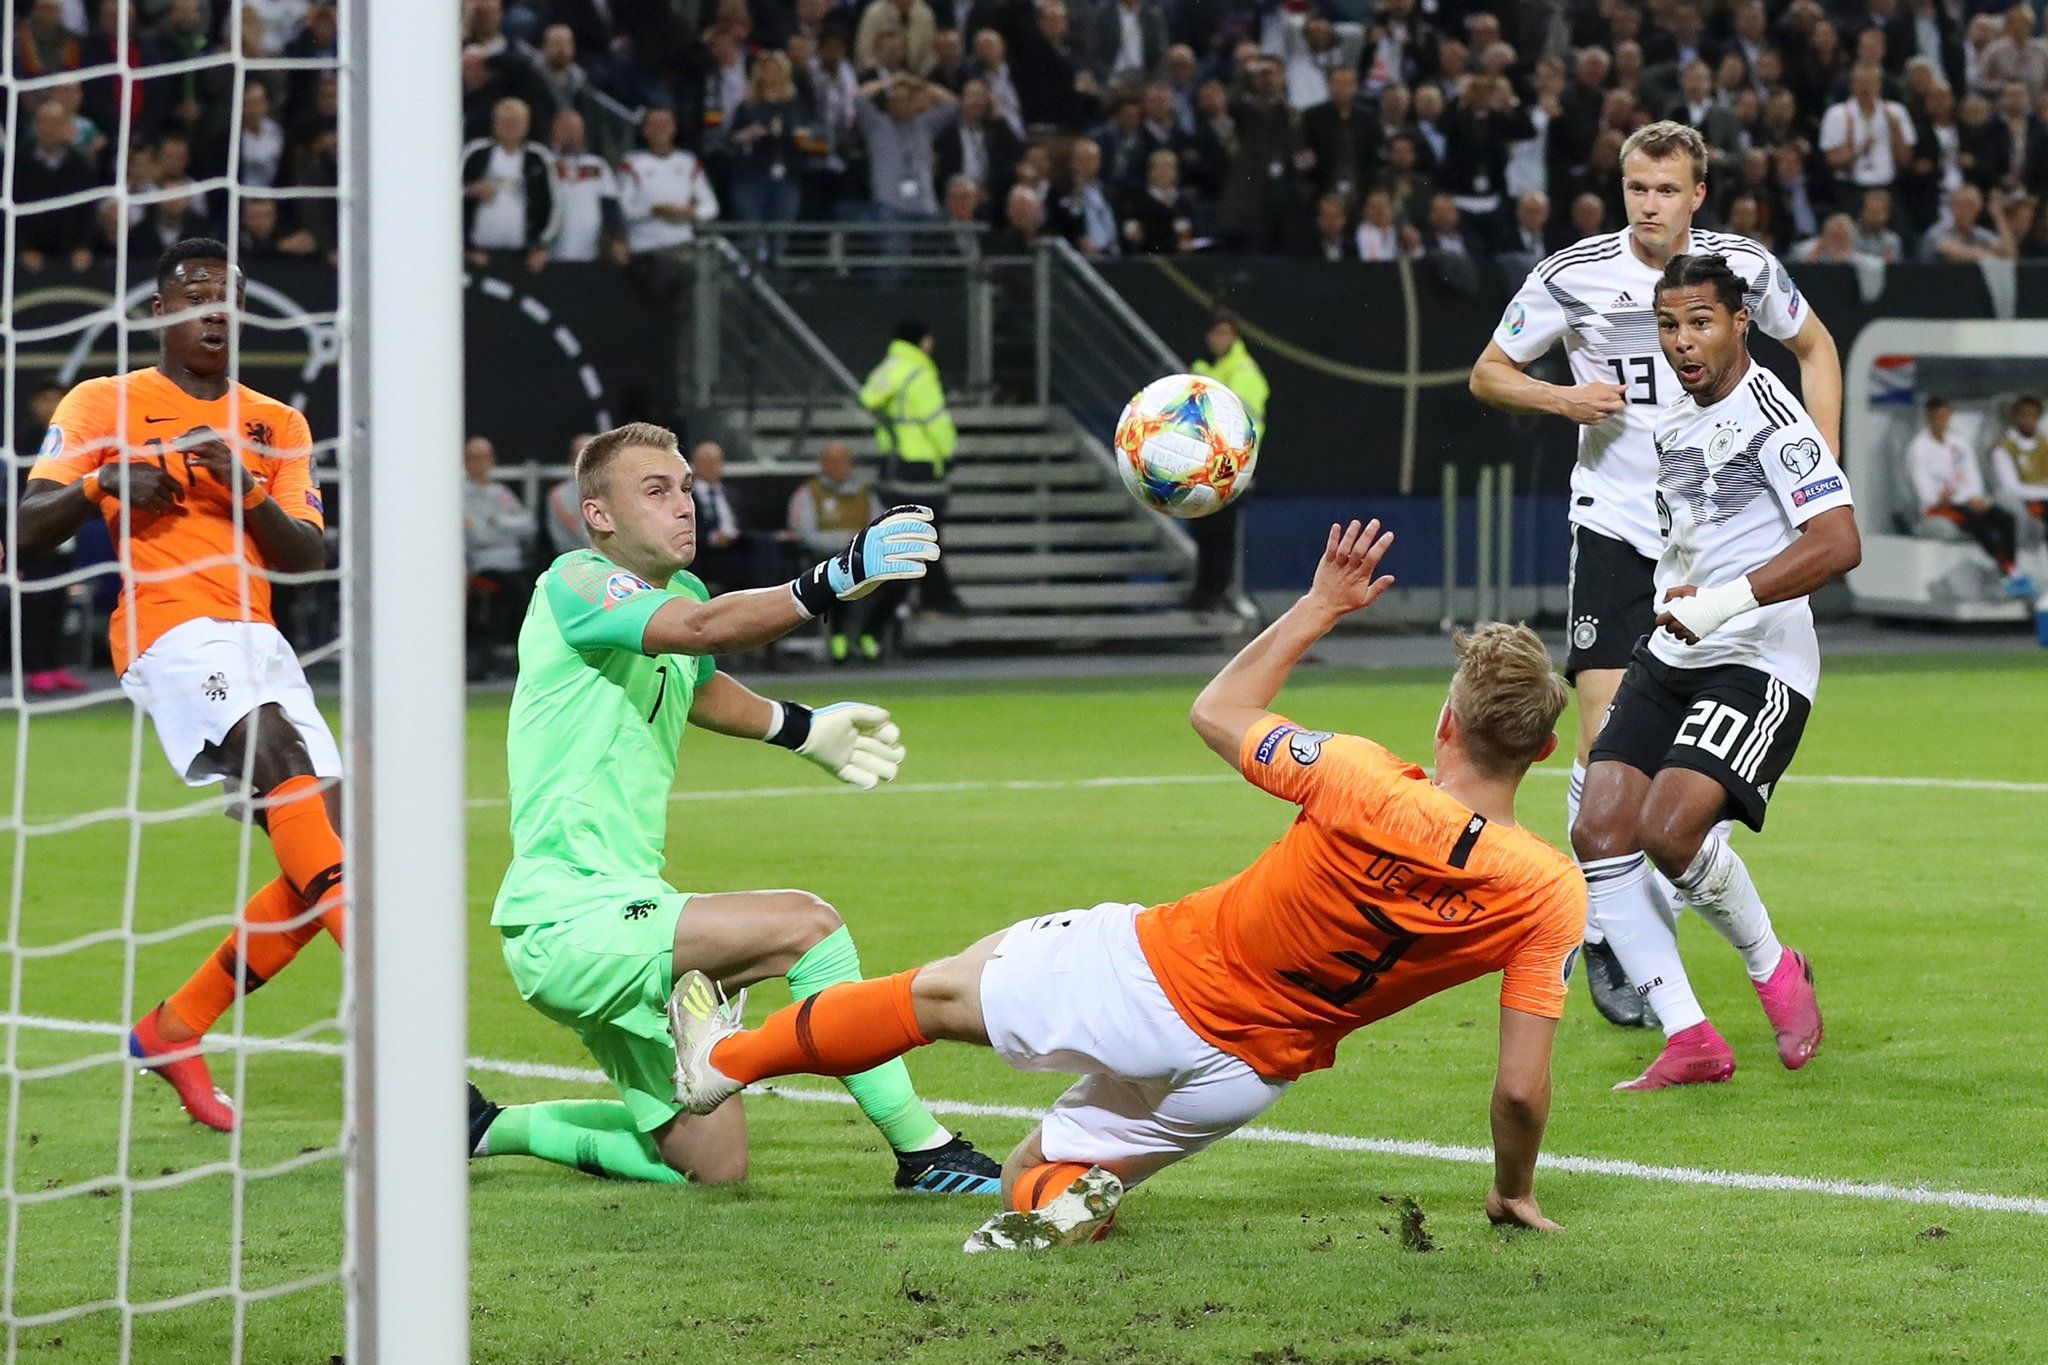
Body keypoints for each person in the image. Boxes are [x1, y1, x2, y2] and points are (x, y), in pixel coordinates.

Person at [671, 524, 1584, 1250]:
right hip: (1248, 1073)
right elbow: (1518, 1089)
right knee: (1030, 1174)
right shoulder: (1548, 892)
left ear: (1445, 722)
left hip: (1152, 976)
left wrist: (1318, 606)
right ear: (1544, 749)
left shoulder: (1359, 778)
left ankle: (725, 1064)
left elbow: (1219, 711)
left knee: (938, 992)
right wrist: (1512, 1189)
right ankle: (1066, 1200)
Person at [466, 422, 1003, 1194]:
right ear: (599, 515)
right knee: (807, 926)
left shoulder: (678, 595)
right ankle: (925, 1150)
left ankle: (486, 1127)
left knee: (714, 1165)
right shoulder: (576, 582)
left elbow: (699, 678)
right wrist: (833, 576)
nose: (683, 504)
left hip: (624, 911)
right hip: (568, 918)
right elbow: (700, 630)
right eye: (656, 490)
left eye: (686, 488)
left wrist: (800, 728)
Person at [1469, 121, 1843, 1034]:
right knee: (1606, 739)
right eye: (1637, 187)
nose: (1650, 204)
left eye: (1668, 189)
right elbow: (1487, 372)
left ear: (1697, 195)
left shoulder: (1740, 270)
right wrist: (1561, 396)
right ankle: (1607, 933)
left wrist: (1820, 470)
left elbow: (1818, 348)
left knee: (1687, 780)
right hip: (1617, 523)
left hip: (1716, 545)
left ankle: (1662, 927)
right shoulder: (1573, 274)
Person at [17, 240, 340, 1133]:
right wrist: (102, 482)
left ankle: (175, 1026)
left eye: (226, 296)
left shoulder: (277, 422)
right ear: (160, 313)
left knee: (326, 858)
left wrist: (246, 492)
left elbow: (307, 554)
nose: (212, 310)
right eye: (193, 295)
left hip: (262, 638)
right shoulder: (102, 402)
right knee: (282, 759)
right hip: (169, 630)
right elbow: (25, 529)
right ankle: (404, 1020)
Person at [1572, 253, 1859, 1091]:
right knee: (1598, 831)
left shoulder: (1775, 418)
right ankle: (1689, 1035)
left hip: (1758, 659)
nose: (1683, 342)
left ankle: (1776, 970)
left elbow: (1839, 542)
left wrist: (1724, 601)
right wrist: (1680, 596)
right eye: (1669, 326)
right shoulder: (1674, 421)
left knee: (1669, 830)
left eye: (1700, 322)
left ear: (1741, 323)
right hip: (1673, 651)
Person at [861, 321, 964, 613]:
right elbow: (935, 421)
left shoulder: (886, 370)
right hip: (924, 467)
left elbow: (868, 398)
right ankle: (934, 599)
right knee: (928, 536)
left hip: (894, 464)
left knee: (906, 537)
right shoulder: (919, 373)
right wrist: (949, 452)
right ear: (920, 340)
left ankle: (915, 598)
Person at [1910, 396, 2034, 596]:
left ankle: (2009, 572)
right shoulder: (1919, 447)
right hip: (1938, 506)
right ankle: (2011, 572)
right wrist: (1940, 497)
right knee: (1977, 522)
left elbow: (1972, 476)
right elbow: (1923, 488)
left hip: (1967, 500)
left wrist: (1975, 497)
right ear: (1929, 418)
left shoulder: (1959, 444)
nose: (1942, 421)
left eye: (1945, 416)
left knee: (2006, 519)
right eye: (1937, 417)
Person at [1188, 311, 1268, 615]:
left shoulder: (1243, 371)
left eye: (1225, 333)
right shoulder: (1208, 369)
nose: (1218, 339)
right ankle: (1204, 590)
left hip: (1227, 465)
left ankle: (1216, 593)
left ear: (1235, 336)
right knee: (1203, 528)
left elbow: (1248, 424)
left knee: (1220, 531)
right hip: (1202, 464)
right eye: (1215, 333)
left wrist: (1241, 463)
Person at [788, 440, 887, 662]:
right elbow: (804, 533)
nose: (838, 467)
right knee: (840, 575)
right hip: (824, 558)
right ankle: (838, 637)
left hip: (864, 556)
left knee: (900, 577)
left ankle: (869, 633)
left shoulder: (865, 495)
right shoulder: (809, 493)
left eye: (843, 462)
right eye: (832, 462)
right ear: (822, 465)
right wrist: (843, 541)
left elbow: (881, 528)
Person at [462, 96, 560, 273]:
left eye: (516, 122)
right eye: (505, 121)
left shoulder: (539, 157)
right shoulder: (475, 152)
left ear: (526, 125)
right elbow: (447, 197)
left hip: (525, 257)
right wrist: (470, 191)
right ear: (494, 123)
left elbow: (555, 204)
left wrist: (542, 246)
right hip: (477, 255)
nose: (510, 127)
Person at [463, 437, 533, 681]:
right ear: (466, 461)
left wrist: (497, 522)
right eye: (475, 457)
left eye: (486, 457)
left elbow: (529, 525)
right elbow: (477, 536)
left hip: (514, 564)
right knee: (515, 591)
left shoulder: (502, 493)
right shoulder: (459, 496)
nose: (481, 463)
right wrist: (506, 525)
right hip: (483, 565)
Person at [619, 107, 720, 256]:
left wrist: (691, 213)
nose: (661, 129)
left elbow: (711, 206)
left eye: (666, 124)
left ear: (674, 128)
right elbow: (622, 209)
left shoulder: (688, 162)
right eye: (654, 125)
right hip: (644, 247)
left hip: (682, 246)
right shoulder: (632, 163)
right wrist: (654, 211)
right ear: (645, 131)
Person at [1990, 394, 2048, 542]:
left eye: (2033, 416)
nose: (2028, 420)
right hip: (2024, 501)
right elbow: (2011, 488)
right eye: (2023, 415)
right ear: (2015, 418)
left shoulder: (2044, 443)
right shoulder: (2003, 448)